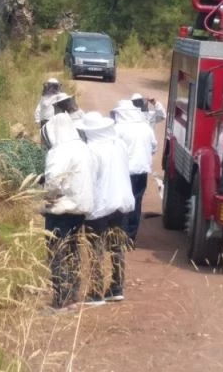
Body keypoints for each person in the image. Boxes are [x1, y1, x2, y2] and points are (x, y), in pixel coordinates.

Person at [76, 111, 135, 304]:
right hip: (122, 203)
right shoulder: (119, 145)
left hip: (100, 206)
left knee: (96, 249)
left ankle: (95, 292)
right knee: (117, 247)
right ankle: (117, 287)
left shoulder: (91, 150)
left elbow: (89, 180)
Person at [41, 112, 96, 310]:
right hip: (81, 208)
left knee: (56, 252)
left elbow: (53, 182)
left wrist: (43, 197)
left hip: (61, 209)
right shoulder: (83, 148)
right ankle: (73, 293)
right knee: (73, 249)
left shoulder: (59, 152)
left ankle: (61, 299)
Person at [112, 99, 157, 246]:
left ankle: (120, 236)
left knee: (122, 202)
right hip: (142, 170)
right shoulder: (145, 127)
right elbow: (154, 147)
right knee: (136, 201)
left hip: (124, 172)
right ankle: (131, 237)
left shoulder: (118, 129)